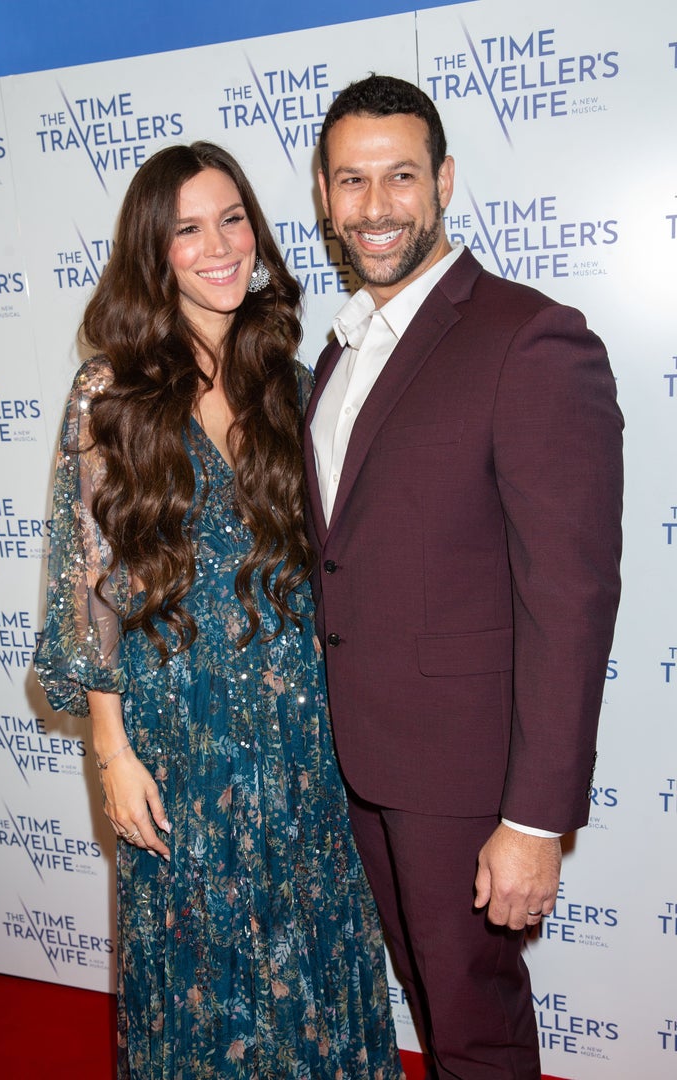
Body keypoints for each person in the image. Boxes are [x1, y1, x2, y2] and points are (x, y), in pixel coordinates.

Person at [35, 140, 405, 1080]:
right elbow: (94, 588)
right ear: (152, 251)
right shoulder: (108, 395)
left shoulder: (294, 384)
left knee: (314, 973)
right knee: (197, 986)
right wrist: (110, 753)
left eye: (233, 218)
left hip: (307, 743)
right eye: (188, 228)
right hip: (180, 747)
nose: (219, 245)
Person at [304, 75, 623, 1079]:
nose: (377, 204)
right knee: (433, 1014)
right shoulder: (336, 355)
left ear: (442, 180)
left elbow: (569, 598)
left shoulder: (529, 338)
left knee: (477, 1034)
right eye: (352, 180)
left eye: (401, 175)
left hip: (466, 782)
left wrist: (533, 821)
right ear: (323, 195)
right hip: (360, 764)